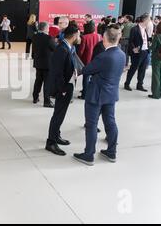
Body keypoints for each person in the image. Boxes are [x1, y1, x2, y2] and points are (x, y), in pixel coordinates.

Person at [73, 24, 126, 166]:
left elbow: (87, 69)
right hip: (111, 94)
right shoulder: (121, 54)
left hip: (96, 94)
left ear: (104, 38)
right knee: (110, 122)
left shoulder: (104, 56)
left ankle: (88, 155)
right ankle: (111, 151)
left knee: (91, 124)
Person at [45, 25, 81, 156]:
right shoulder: (62, 49)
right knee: (58, 115)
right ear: (74, 35)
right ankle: (51, 142)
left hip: (68, 85)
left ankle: (56, 135)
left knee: (61, 113)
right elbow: (57, 72)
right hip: (63, 88)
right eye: (78, 34)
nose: (80, 37)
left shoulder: (69, 47)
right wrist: (63, 89)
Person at [32, 22, 56, 108]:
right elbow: (55, 48)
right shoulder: (49, 38)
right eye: (48, 27)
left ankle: (35, 97)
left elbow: (34, 49)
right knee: (47, 83)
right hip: (47, 64)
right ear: (45, 28)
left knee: (38, 81)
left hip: (38, 62)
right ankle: (47, 101)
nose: (49, 29)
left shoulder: (35, 36)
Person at [124, 14, 151, 92]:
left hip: (145, 51)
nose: (149, 21)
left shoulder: (145, 29)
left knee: (142, 69)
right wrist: (133, 48)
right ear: (145, 20)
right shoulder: (134, 29)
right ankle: (127, 84)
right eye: (148, 20)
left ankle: (140, 85)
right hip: (137, 52)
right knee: (133, 68)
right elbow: (131, 41)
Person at [78, 22, 102, 100]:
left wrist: (78, 58)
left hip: (87, 60)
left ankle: (84, 94)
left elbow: (81, 51)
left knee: (86, 77)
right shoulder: (99, 36)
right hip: (97, 60)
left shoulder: (84, 37)